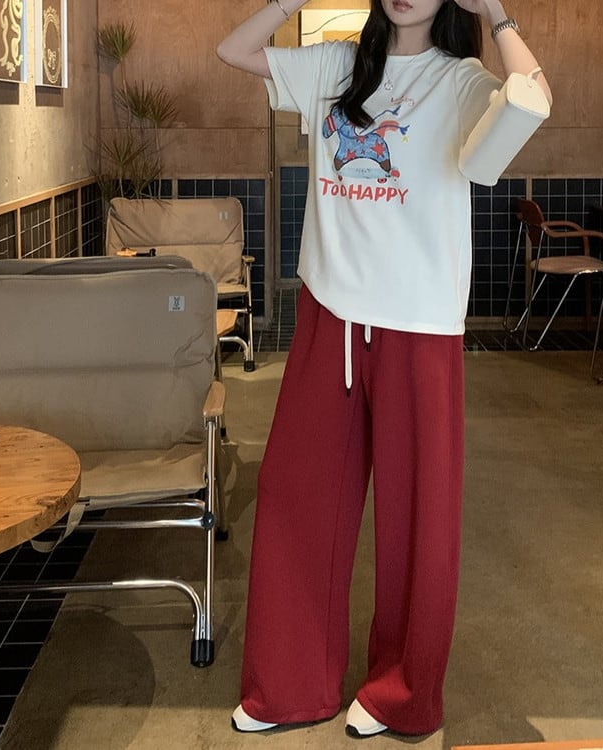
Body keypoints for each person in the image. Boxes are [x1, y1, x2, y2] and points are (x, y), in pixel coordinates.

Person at [217, 0, 551, 738]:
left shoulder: (462, 80)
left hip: (418, 324)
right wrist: (290, 3)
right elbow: (232, 52)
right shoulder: (338, 65)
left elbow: (531, 98)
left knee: (417, 517)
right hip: (329, 312)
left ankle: (400, 693)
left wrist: (497, 14)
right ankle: (289, 685)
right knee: (294, 496)